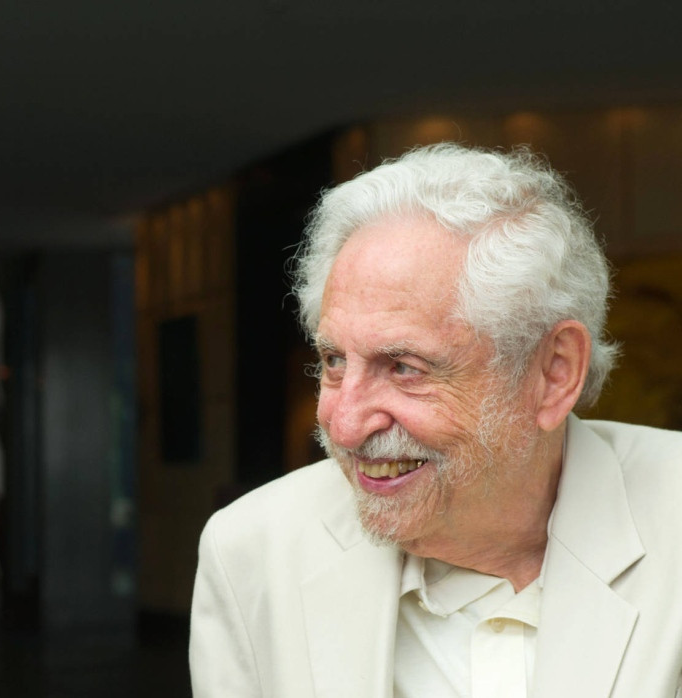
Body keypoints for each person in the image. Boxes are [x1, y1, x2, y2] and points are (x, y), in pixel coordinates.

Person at [189, 143, 682, 696]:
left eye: (403, 367)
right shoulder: (252, 554)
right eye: (332, 361)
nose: (344, 426)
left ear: (553, 373)